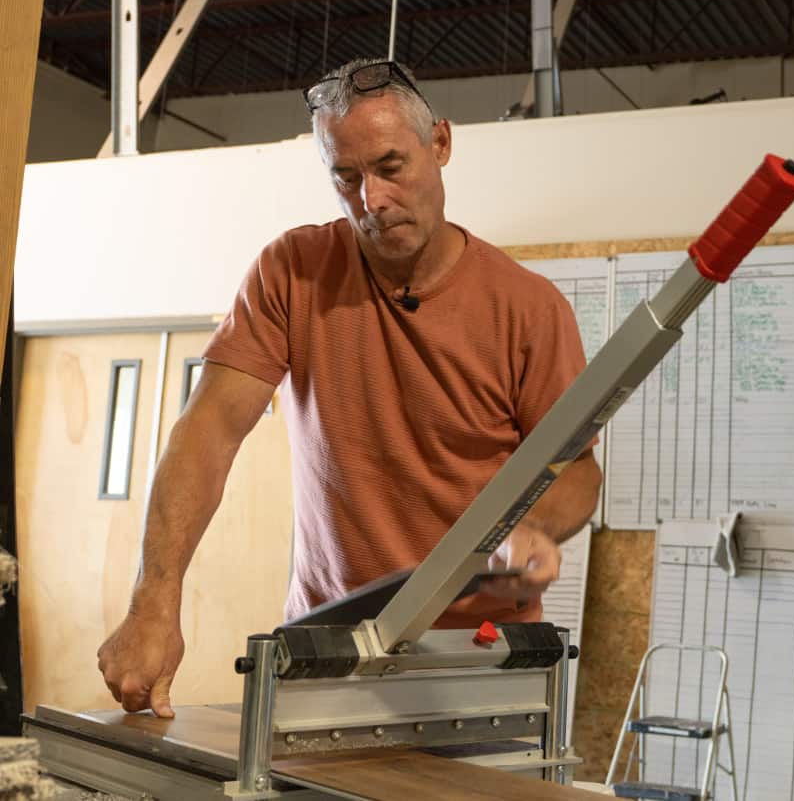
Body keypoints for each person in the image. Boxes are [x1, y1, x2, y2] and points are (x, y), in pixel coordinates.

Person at [96, 58, 601, 718]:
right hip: (327, 649)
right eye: (347, 176)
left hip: (478, 657)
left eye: (392, 167)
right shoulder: (293, 273)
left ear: (440, 144)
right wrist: (152, 604)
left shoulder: (529, 308)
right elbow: (209, 432)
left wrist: (532, 526)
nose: (373, 200)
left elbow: (577, 473)